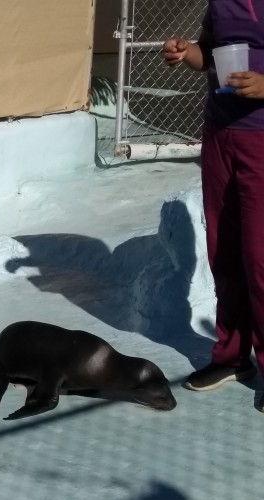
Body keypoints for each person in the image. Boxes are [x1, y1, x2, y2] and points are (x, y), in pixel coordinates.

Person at [163, 0, 264, 407]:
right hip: (221, 133)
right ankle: (232, 357)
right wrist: (187, 52)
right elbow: (209, 50)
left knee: (260, 258)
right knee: (224, 250)